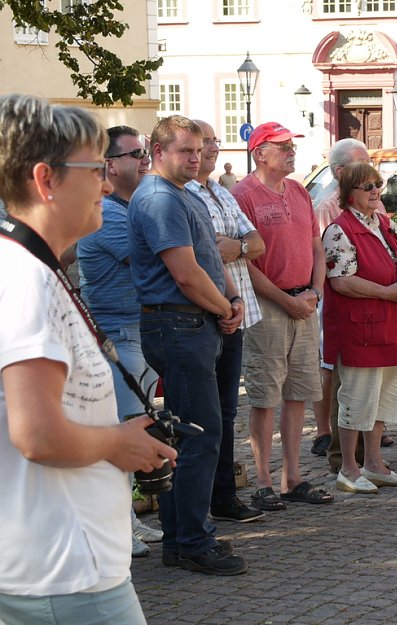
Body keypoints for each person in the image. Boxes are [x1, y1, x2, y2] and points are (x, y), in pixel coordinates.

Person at [0, 93, 176, 625]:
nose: (106, 183)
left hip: (60, 562)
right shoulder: (26, 280)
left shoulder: (30, 268)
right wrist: (119, 443)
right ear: (45, 179)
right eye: (95, 168)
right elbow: (39, 436)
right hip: (65, 570)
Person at [128, 115, 248, 576]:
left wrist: (231, 299)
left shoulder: (183, 194)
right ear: (158, 152)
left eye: (198, 149)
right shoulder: (159, 198)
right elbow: (185, 273)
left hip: (195, 322)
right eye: (185, 150)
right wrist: (224, 306)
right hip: (178, 325)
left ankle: (182, 541)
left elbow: (208, 261)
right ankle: (194, 542)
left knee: (191, 434)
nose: (195, 157)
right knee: (198, 436)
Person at [232, 121, 334, 508]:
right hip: (268, 308)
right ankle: (262, 481)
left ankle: (292, 477)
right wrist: (285, 299)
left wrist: (314, 291)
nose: (292, 151)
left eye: (292, 145)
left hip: (304, 305)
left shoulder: (298, 191)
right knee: (265, 395)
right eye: (283, 146)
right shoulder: (243, 195)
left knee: (298, 395)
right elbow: (245, 263)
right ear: (260, 153)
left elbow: (316, 247)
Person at [76, 125, 163, 558]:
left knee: (136, 426)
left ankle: (127, 519)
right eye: (135, 154)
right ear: (110, 164)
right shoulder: (107, 214)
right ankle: (116, 527)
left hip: (140, 330)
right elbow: (152, 261)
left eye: (145, 152)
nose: (144, 159)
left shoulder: (136, 206)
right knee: (122, 432)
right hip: (117, 335)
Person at [187, 120, 266, 522]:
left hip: (237, 313)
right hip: (204, 316)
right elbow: (202, 257)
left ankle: (223, 497)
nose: (214, 147)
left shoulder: (220, 190)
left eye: (217, 140)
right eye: (206, 141)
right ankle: (198, 507)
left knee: (225, 411)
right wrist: (238, 247)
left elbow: (257, 243)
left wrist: (235, 247)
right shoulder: (181, 195)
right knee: (202, 417)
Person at [322, 163, 397, 493]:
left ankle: (374, 463)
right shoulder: (339, 229)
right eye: (367, 186)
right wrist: (388, 292)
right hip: (360, 329)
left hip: (390, 324)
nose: (376, 190)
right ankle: (348, 467)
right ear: (349, 194)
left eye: (378, 183)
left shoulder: (383, 224)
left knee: (384, 400)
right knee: (357, 399)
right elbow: (341, 281)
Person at [312, 137, 393, 471]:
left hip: (378, 308)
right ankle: (335, 446)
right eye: (366, 179)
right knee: (339, 375)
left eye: (377, 182)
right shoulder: (328, 212)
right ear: (343, 174)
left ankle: (369, 450)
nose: (374, 186)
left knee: (372, 381)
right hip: (347, 308)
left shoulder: (378, 210)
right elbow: (331, 269)